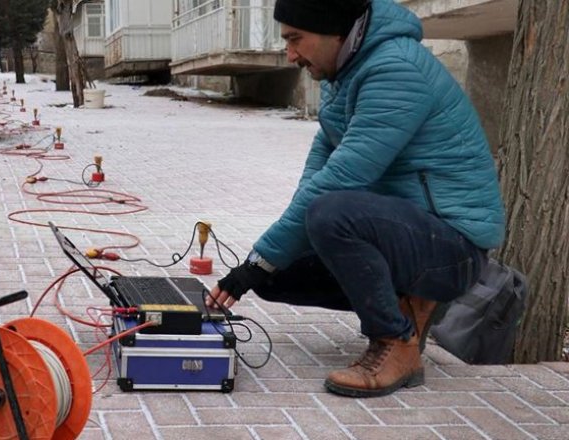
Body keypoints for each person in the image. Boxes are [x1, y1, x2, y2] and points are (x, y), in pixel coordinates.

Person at [205, 0, 504, 398]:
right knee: (279, 270)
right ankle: (407, 300)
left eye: (296, 39)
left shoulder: (396, 70)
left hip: (452, 248)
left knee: (332, 213)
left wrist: (257, 262)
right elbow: (316, 176)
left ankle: (397, 343)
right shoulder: (340, 75)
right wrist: (260, 264)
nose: (290, 54)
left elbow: (344, 178)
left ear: (337, 32)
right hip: (412, 234)